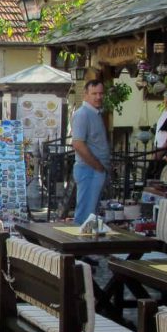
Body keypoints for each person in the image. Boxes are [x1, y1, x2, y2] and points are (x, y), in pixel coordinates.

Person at [71, 79, 112, 224]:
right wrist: (98, 166)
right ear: (85, 95)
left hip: (95, 170)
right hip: (89, 170)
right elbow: (78, 144)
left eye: (101, 93)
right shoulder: (83, 114)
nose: (98, 97)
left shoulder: (96, 113)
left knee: (91, 214)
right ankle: (78, 245)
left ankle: (86, 244)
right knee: (85, 215)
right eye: (94, 93)